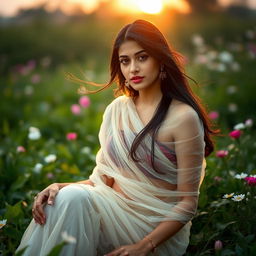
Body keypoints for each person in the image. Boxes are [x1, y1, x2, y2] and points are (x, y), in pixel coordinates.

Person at [17, 19, 217, 256]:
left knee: (70, 200)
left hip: (153, 229)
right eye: (125, 61)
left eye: (142, 57)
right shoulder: (118, 109)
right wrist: (59, 186)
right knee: (63, 199)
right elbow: (104, 182)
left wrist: (143, 246)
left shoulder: (183, 117)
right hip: (112, 212)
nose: (133, 68)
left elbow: (187, 203)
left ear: (160, 60)